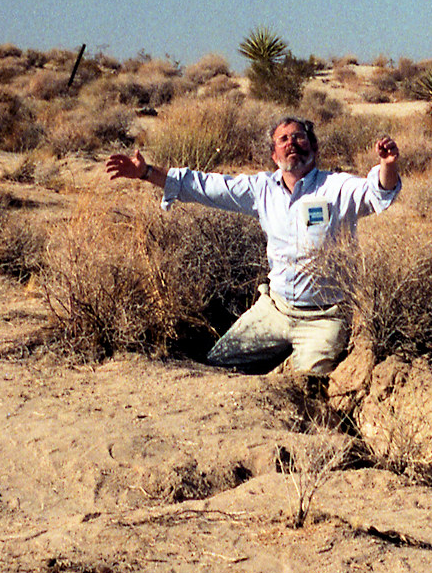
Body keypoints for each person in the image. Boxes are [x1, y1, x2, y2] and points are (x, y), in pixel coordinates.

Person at [105, 116, 401, 377]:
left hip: (324, 317)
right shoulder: (262, 190)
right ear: (274, 154)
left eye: (299, 136)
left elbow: (376, 191)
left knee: (308, 383)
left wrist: (387, 166)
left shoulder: (336, 187)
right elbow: (206, 186)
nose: (291, 143)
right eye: (283, 139)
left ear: (314, 147)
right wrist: (147, 173)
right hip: (275, 309)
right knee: (218, 364)